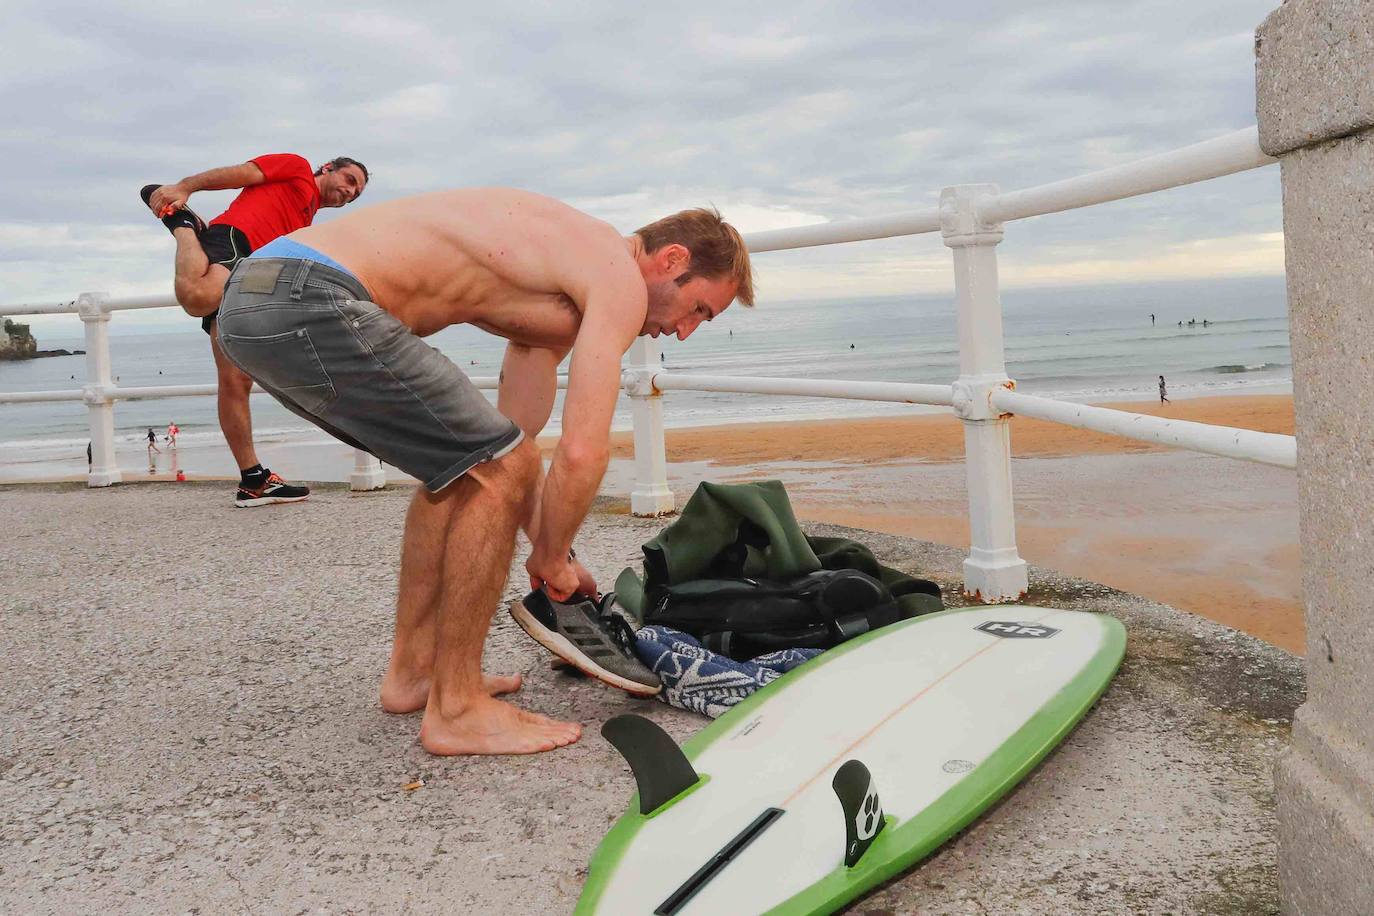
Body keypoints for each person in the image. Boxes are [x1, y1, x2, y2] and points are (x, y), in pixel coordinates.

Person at [215, 189, 753, 756]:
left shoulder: (557, 290)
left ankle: (415, 674)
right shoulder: (616, 273)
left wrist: (557, 555)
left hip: (254, 300)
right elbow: (580, 452)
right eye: (699, 309)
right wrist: (551, 557)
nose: (685, 331)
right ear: (671, 260)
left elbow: (501, 448)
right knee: (492, 466)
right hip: (309, 296)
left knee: (461, 469)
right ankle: (457, 709)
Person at [141, 154, 369, 506]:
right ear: (328, 169)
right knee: (197, 298)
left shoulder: (307, 220)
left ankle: (253, 480)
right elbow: (240, 173)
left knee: (236, 379)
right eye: (350, 181)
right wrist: (185, 187)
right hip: (237, 240)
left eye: (356, 194)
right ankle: (185, 225)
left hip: (254, 276)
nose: (350, 193)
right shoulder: (296, 168)